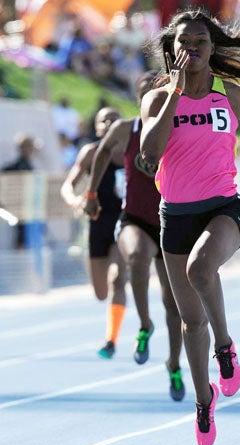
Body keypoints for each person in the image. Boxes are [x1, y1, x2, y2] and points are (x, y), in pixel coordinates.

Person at [139, 7, 240, 445]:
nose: (192, 49)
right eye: (183, 43)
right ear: (172, 50)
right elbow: (149, 156)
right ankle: (203, 403)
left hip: (222, 209)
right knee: (189, 321)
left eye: (200, 42)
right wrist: (175, 94)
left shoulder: (232, 95)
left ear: (213, 47)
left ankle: (226, 348)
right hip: (175, 216)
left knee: (202, 270)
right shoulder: (156, 98)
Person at [84, 72, 185, 402]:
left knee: (174, 305)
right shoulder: (126, 129)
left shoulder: (178, 129)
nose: (150, 100)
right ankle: (144, 325)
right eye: (144, 94)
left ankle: (173, 363)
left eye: (157, 93)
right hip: (135, 219)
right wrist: (90, 194)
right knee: (137, 256)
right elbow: (100, 154)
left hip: (170, 220)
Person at [61, 107, 127, 359]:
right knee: (101, 293)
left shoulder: (131, 152)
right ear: (97, 127)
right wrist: (74, 201)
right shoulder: (90, 153)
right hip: (97, 224)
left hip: (124, 223)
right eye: (103, 120)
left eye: (114, 119)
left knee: (117, 279)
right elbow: (68, 185)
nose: (109, 123)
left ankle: (111, 339)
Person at [2, 133, 41, 248]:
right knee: (21, 236)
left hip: (27, 207)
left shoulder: (28, 165)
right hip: (18, 207)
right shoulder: (18, 166)